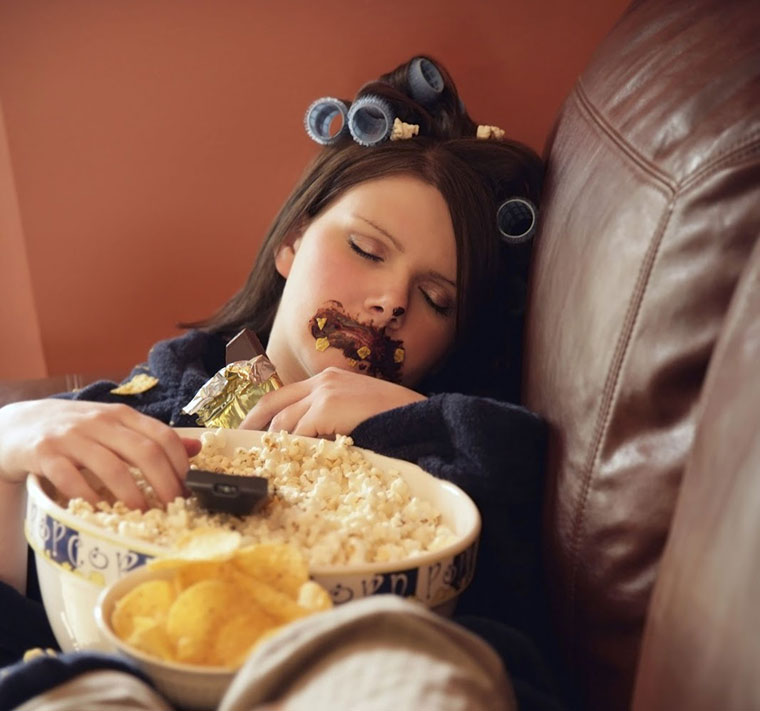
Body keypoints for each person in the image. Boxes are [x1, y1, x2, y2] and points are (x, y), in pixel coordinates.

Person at [0, 56, 559, 708]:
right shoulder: (158, 397)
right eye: (367, 250)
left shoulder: (455, 464)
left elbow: (509, 619)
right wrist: (12, 432)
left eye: (436, 299)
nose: (391, 302)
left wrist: (411, 423)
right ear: (292, 241)